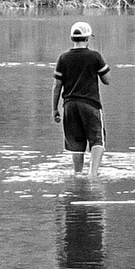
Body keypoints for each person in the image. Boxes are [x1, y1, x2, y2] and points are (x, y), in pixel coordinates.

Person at [52, 20, 111, 176]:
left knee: (76, 143)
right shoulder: (95, 56)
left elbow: (57, 85)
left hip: (69, 106)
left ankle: (78, 174)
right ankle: (93, 175)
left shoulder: (63, 58)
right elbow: (107, 80)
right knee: (97, 140)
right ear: (87, 38)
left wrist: (54, 109)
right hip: (90, 104)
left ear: (72, 38)